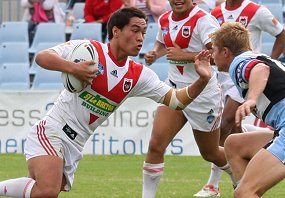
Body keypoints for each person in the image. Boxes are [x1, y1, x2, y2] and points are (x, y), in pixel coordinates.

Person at [0, 7, 213, 197]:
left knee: (43, 190)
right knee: (47, 190)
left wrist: (202, 80)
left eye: (144, 32)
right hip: (52, 130)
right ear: (115, 31)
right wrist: (74, 68)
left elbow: (176, 101)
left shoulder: (138, 75)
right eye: (135, 30)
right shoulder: (89, 49)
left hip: (76, 143)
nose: (141, 38)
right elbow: (42, 57)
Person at [141, 1, 237, 198]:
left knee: (210, 153)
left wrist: (184, 56)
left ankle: (240, 175)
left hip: (204, 96)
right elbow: (163, 44)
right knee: (155, 145)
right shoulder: (165, 19)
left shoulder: (203, 20)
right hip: (175, 89)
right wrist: (155, 54)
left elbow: (220, 55)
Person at [194, 0, 285, 196]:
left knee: (244, 191)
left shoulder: (238, 62)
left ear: (225, 51)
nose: (212, 55)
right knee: (233, 144)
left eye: (214, 50)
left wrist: (252, 99)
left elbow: (260, 70)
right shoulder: (252, 57)